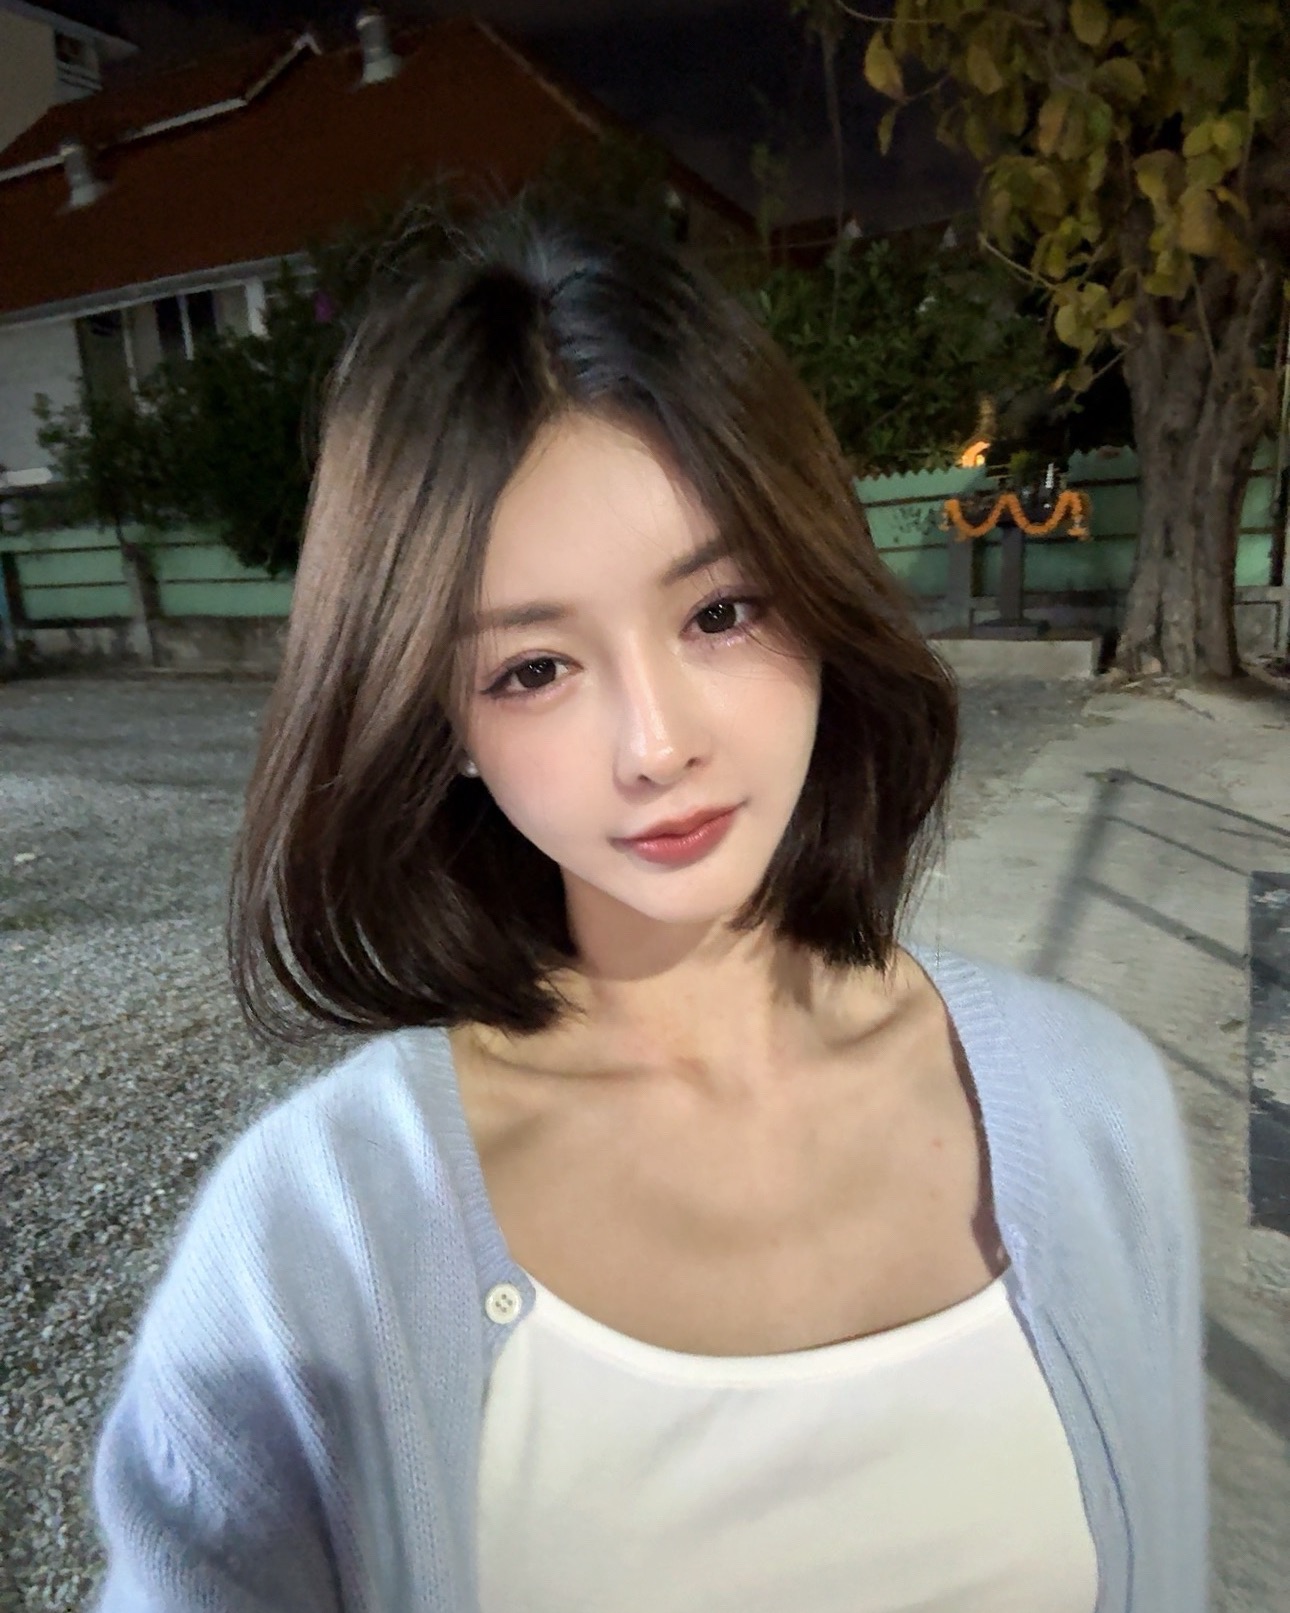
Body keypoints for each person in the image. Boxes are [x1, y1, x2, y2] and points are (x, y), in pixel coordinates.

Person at [89, 200, 1207, 1613]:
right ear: (440, 726)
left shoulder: (1092, 1104)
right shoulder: (316, 1241)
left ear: (821, 596)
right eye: (532, 669)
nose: (656, 743)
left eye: (720, 612)